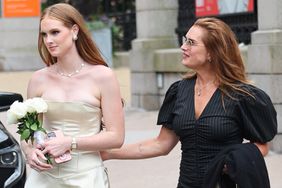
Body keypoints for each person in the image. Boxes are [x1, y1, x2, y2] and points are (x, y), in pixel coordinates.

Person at [101, 17, 277, 188]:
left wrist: (232, 164)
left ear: (212, 52)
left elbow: (261, 146)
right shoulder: (179, 91)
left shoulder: (243, 96)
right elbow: (161, 144)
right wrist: (109, 153)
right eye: (185, 40)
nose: (183, 47)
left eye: (191, 43)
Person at [21, 3, 124, 188]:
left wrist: (71, 142)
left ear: (74, 30)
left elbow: (116, 137)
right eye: (44, 34)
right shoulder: (38, 79)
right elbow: (30, 133)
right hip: (44, 179)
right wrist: (29, 151)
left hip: (86, 177)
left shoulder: (103, 76)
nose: (48, 40)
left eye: (55, 32)